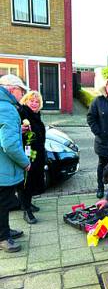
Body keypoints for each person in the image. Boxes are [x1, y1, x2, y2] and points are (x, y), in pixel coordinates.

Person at [0, 74, 31, 252]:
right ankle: (3, 238)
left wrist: (16, 129)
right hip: (3, 168)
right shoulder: (8, 108)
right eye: (22, 91)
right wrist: (25, 162)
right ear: (12, 89)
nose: (22, 95)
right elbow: (9, 145)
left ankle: (5, 230)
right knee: (3, 203)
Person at [17, 91, 46, 224]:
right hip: (26, 155)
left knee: (32, 181)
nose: (34, 103)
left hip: (36, 154)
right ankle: (26, 211)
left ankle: (27, 204)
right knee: (25, 183)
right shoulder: (22, 113)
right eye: (31, 101)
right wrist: (20, 129)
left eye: (37, 101)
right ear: (25, 101)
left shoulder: (36, 115)